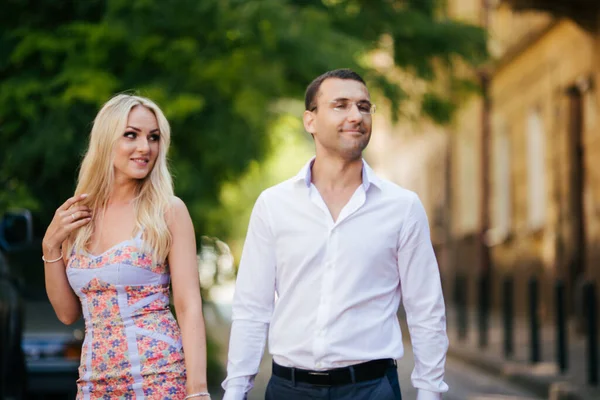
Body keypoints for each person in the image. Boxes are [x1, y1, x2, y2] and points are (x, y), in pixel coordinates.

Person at [222, 69, 449, 400]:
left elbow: (426, 308)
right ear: (310, 121)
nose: (356, 116)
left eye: (364, 106)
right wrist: (236, 391)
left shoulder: (402, 207)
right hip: (290, 389)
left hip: (371, 389)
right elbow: (252, 309)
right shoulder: (274, 205)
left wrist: (429, 393)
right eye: (340, 105)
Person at [42, 94, 210, 400]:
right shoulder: (77, 215)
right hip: (94, 381)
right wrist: (50, 246)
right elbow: (67, 314)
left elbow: (188, 306)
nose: (145, 147)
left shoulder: (168, 211)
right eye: (131, 135)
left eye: (154, 137)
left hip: (159, 378)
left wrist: (197, 392)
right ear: (107, 140)